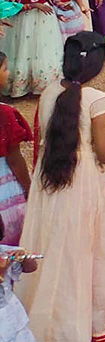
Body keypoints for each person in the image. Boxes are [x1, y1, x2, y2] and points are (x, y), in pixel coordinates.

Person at [18, 32, 105, 342]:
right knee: (87, 247)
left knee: (53, 246)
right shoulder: (96, 100)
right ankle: (91, 326)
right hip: (84, 181)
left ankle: (49, 327)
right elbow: (102, 153)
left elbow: (40, 144)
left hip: (50, 180)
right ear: (96, 64)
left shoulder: (48, 94)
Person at [1, 0, 63, 97]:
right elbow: (10, 5)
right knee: (23, 50)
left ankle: (41, 83)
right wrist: (33, 6)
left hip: (43, 21)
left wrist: (61, 6)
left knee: (42, 48)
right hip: (22, 22)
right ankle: (21, 85)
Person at [0, 235, 45, 342]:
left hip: (12, 315)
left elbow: (31, 268)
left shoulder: (4, 251)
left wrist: (24, 258)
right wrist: (2, 271)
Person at [0, 57, 32, 245]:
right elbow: (15, 159)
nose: (9, 73)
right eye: (5, 69)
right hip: (5, 191)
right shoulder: (5, 114)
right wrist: (29, 188)